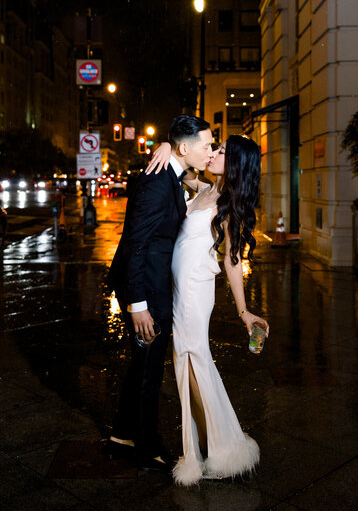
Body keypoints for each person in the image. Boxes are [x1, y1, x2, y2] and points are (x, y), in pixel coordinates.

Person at [147, 135, 269, 485]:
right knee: (187, 364)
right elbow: (179, 168)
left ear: (237, 164)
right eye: (216, 149)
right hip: (179, 290)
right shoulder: (205, 187)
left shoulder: (229, 202)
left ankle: (221, 448)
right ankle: (207, 446)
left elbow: (233, 261)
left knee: (194, 359)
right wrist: (168, 146)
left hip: (196, 292)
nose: (214, 154)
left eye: (223, 152)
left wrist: (244, 311)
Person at [106, 115, 213, 473]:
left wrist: (167, 149)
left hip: (152, 285)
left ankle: (122, 434)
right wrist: (138, 306)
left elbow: (184, 178)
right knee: (150, 369)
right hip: (146, 291)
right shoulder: (156, 182)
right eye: (207, 145)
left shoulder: (169, 173)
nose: (210, 151)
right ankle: (147, 447)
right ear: (186, 148)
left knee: (143, 365)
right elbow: (136, 243)